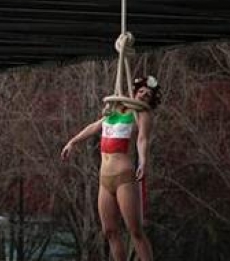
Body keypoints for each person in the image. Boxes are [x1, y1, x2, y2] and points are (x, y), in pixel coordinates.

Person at [61, 76, 162, 261]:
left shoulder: (142, 115)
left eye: (148, 95)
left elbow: (142, 140)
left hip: (124, 176)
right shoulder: (115, 109)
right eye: (141, 92)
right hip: (104, 178)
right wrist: (73, 142)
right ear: (134, 91)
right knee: (109, 231)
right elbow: (95, 126)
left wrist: (143, 161)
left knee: (135, 230)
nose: (143, 96)